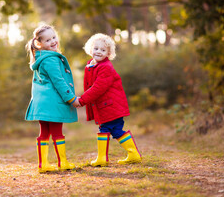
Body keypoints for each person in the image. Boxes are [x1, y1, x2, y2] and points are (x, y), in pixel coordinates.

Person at [76, 33, 141, 166]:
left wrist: (82, 100)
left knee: (109, 129)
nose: (98, 51)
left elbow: (98, 88)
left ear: (108, 53)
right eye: (96, 48)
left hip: (111, 106)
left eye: (103, 50)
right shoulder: (92, 65)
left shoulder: (106, 68)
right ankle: (130, 154)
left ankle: (108, 158)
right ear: (90, 49)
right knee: (110, 129)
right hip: (105, 106)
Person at [25, 24, 80, 173]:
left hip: (42, 104)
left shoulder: (41, 58)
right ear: (39, 44)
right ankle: (62, 162)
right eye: (48, 40)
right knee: (57, 132)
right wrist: (71, 98)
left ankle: (43, 165)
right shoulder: (51, 59)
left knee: (44, 133)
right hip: (52, 103)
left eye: (54, 37)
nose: (53, 41)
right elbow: (59, 82)